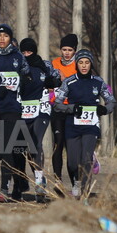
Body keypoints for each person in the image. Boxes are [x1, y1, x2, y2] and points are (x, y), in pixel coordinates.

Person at [52, 49, 115, 201]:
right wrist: (72, 108)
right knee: (73, 162)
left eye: (87, 62)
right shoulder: (69, 82)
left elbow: (111, 101)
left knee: (86, 159)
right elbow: (57, 104)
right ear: (77, 64)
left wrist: (104, 109)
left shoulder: (98, 82)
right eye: (81, 62)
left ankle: (85, 193)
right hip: (72, 125)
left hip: (91, 126)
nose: (84, 66)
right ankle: (76, 182)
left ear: (91, 64)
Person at [0, 24, 32, 202]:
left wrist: (26, 81)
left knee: (6, 148)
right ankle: (20, 180)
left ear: (10, 38)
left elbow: (28, 76)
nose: (2, 39)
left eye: (6, 36)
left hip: (12, 108)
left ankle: (5, 188)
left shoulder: (18, 57)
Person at [18, 38, 62, 203]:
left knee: (36, 142)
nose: (26, 55)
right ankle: (40, 177)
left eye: (29, 51)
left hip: (42, 108)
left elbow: (58, 79)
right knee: (29, 148)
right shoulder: (19, 67)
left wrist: (53, 81)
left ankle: (38, 183)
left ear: (34, 51)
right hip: (24, 109)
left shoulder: (46, 65)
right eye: (24, 52)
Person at [50, 33, 79, 195]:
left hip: (73, 110)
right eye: (64, 49)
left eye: (70, 50)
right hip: (57, 109)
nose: (66, 53)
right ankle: (58, 180)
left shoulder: (79, 64)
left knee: (72, 148)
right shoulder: (54, 63)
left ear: (75, 51)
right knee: (58, 144)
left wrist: (65, 78)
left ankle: (75, 181)